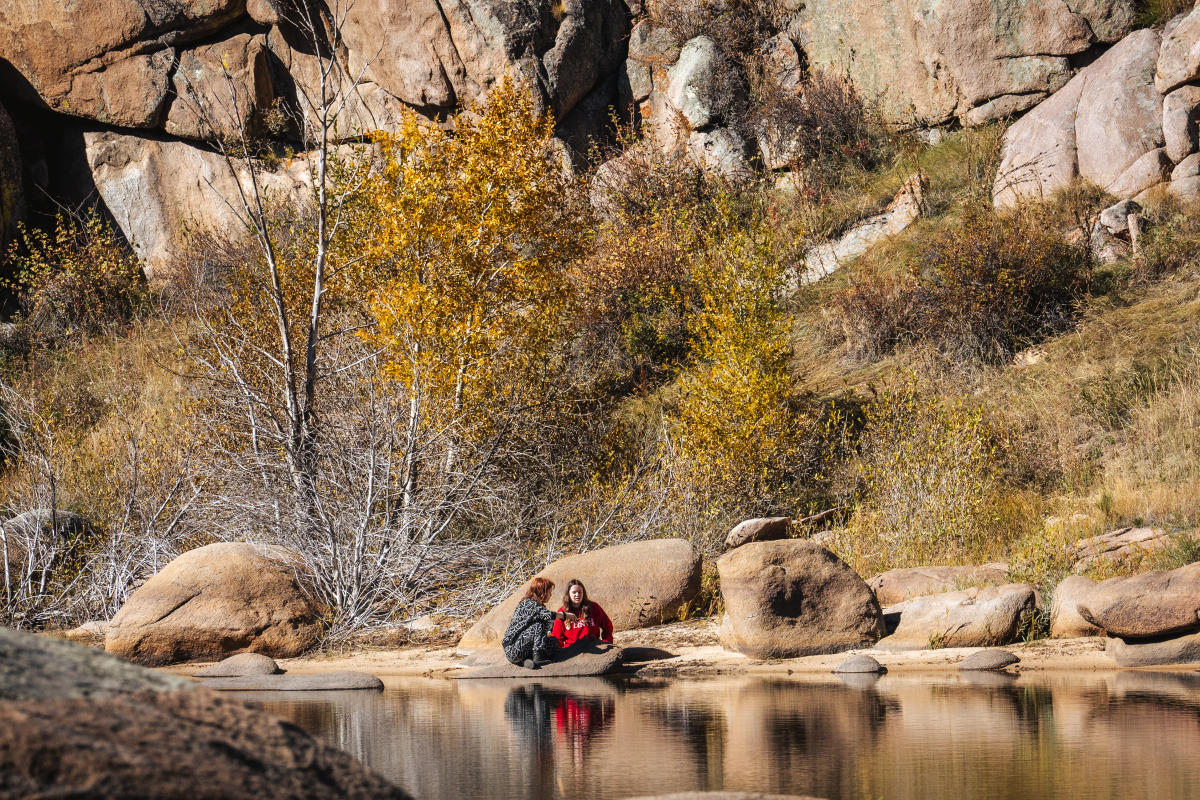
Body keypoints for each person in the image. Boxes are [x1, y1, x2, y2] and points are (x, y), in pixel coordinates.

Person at [502, 577, 576, 669]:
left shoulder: (538, 605)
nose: (551, 595)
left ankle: (527, 661)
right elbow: (548, 615)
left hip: (524, 646)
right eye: (549, 592)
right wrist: (565, 615)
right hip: (513, 648)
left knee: (553, 641)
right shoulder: (528, 603)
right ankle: (538, 656)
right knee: (538, 625)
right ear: (542, 592)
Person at [551, 579, 614, 648]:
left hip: (594, 648)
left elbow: (607, 626)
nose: (577, 595)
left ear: (583, 593)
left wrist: (607, 643)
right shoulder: (562, 612)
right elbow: (557, 638)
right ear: (568, 594)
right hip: (572, 651)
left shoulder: (594, 607)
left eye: (580, 592)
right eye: (574, 592)